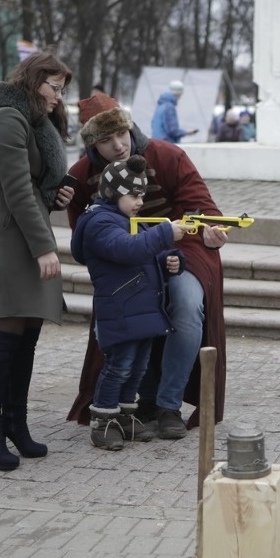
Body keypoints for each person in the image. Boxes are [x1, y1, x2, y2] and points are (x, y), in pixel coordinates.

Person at [65, 93, 228, 439]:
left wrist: (212, 232)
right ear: (94, 143)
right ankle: (138, 403)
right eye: (106, 140)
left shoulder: (167, 155)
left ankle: (169, 405)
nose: (118, 145)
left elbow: (204, 209)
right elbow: (82, 229)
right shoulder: (82, 174)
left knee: (185, 305)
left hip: (181, 248)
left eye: (121, 134)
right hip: (125, 259)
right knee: (132, 315)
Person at [0, 50, 75, 470]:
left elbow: (30, 188)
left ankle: (15, 422)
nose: (58, 97)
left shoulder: (28, 122)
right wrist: (43, 247)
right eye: (54, 87)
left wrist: (54, 196)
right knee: (6, 330)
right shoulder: (6, 121)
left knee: (27, 331)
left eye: (62, 89)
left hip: (25, 233)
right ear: (34, 82)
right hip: (10, 238)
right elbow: (14, 190)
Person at [71, 154, 190, 449]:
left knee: (137, 367)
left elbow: (145, 256)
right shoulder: (99, 222)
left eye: (142, 194)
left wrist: (170, 260)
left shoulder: (126, 219)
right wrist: (165, 233)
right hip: (120, 309)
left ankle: (124, 416)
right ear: (113, 193)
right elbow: (125, 250)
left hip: (140, 310)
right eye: (133, 194)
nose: (139, 201)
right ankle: (103, 421)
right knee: (119, 366)